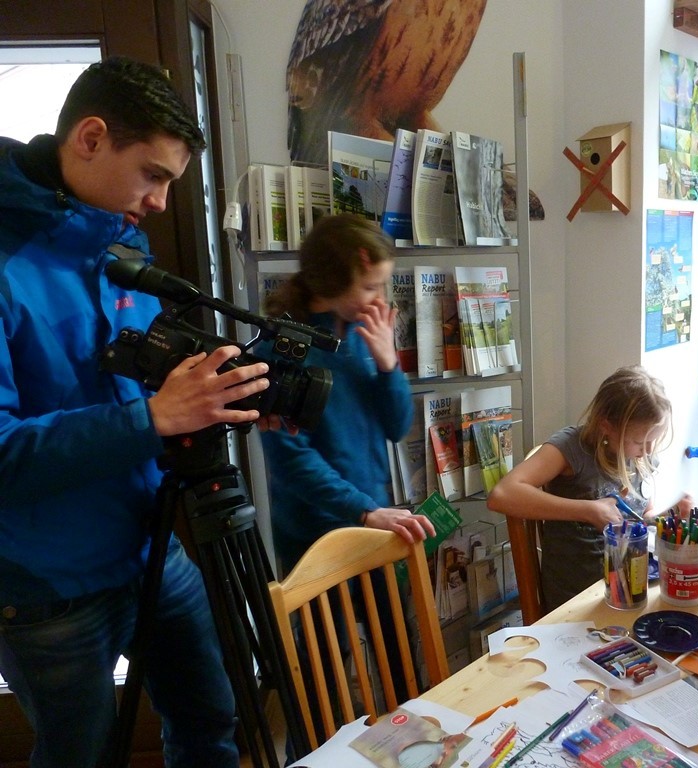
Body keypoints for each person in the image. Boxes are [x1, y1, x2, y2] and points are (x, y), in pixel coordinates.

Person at [0, 57, 266, 767]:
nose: (159, 202)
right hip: (47, 583)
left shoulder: (119, 246)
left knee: (213, 720)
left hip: (151, 545)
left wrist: (220, 404)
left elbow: (141, 383)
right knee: (79, 755)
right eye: (154, 175)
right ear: (90, 138)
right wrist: (154, 419)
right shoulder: (7, 262)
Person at [258, 214, 434, 722]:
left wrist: (387, 363)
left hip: (374, 522)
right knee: (323, 680)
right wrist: (364, 511)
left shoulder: (361, 331)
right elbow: (292, 464)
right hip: (317, 536)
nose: (379, 298)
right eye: (371, 285)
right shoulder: (281, 350)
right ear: (333, 280)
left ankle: (418, 745)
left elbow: (397, 424)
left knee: (401, 659)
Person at [486, 365, 693, 611]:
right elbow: (502, 496)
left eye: (653, 441)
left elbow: (640, 518)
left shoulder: (637, 457)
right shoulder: (572, 448)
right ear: (607, 426)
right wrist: (586, 510)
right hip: (578, 601)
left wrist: (667, 517)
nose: (648, 451)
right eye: (640, 441)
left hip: (628, 590)